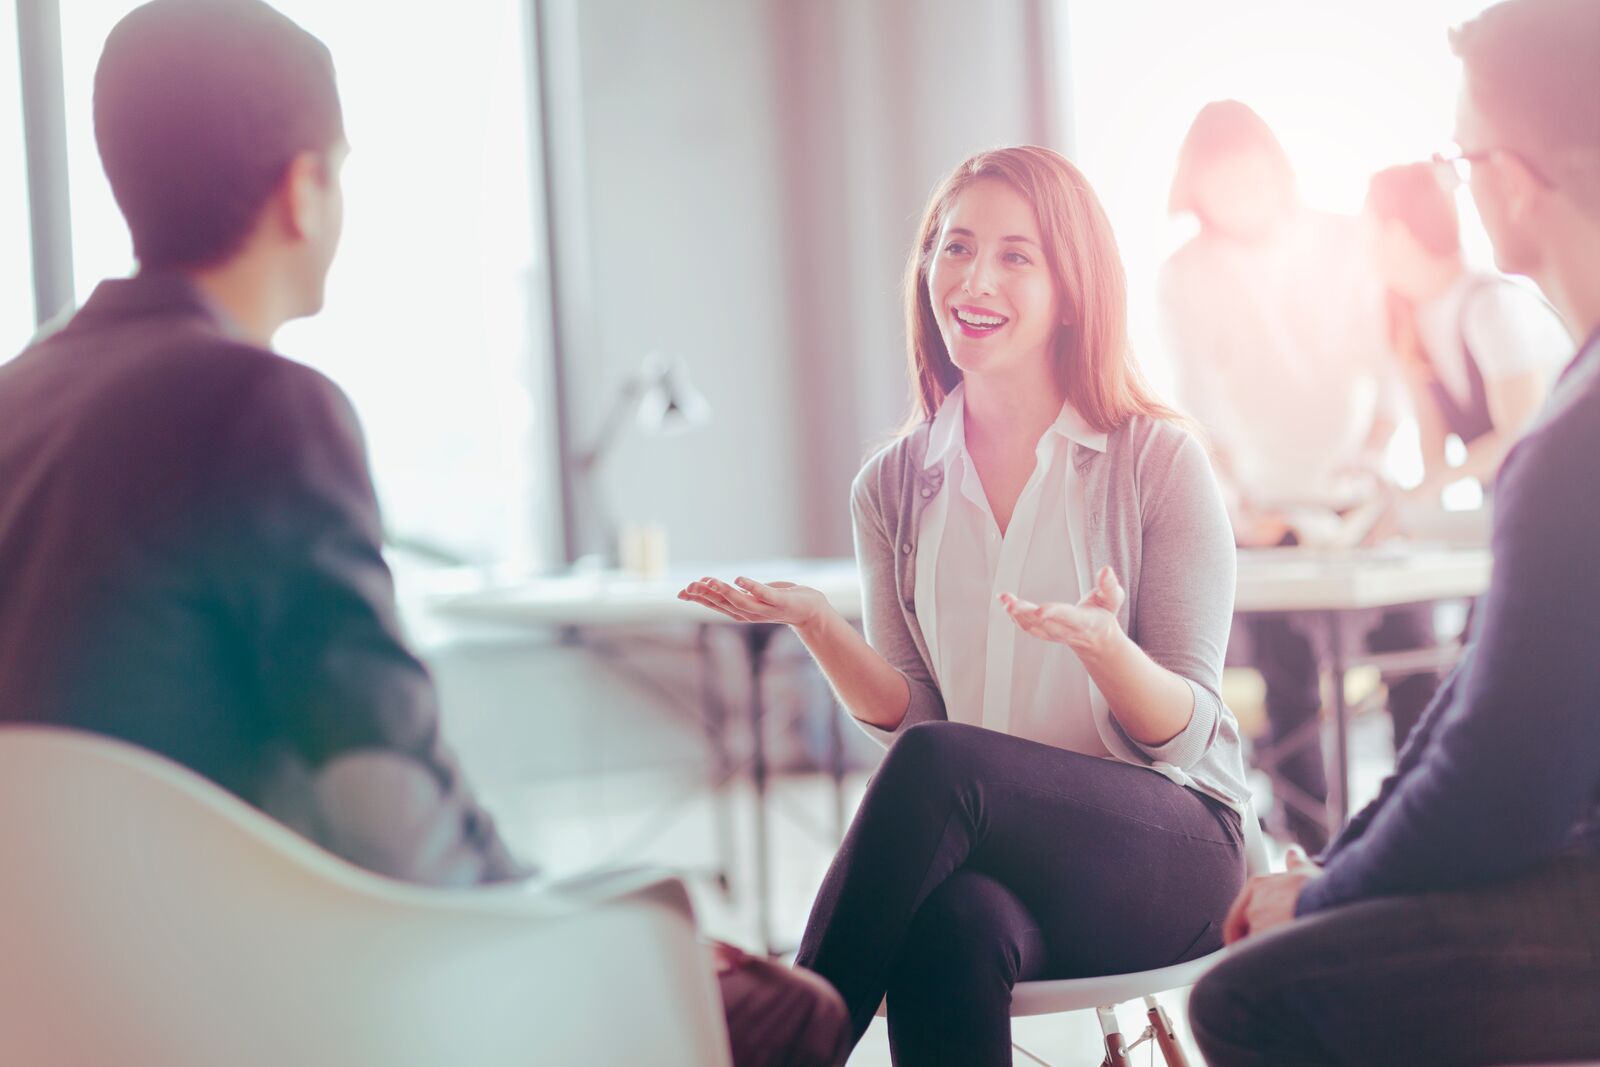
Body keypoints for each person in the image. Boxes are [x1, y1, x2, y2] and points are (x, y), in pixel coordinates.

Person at [0, 3, 848, 1064]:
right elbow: (389, 802)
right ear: (303, 188)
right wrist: (558, 923)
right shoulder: (262, 408)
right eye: (341, 171)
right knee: (789, 1005)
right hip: (256, 994)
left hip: (51, 1003)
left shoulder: (16, 399)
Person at [681, 145, 1250, 1065]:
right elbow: (924, 719)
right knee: (950, 924)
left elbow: (1183, 734)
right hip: (1007, 859)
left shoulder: (1155, 461)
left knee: (944, 767)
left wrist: (1108, 650)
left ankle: (784, 1035)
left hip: (1175, 851)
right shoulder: (894, 487)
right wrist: (820, 626)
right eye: (954, 247)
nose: (974, 278)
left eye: (1017, 255)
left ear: (1073, 286)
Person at [1190, 2, 1600, 1063]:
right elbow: (1474, 708)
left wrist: (1322, 894)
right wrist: (1336, 871)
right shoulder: (1572, 396)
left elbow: (1500, 787)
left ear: (1511, 177)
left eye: (1458, 159)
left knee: (1244, 994)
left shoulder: (1572, 434)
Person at [1158, 100, 1440, 852]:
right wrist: (1235, 505)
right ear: (1194, 187)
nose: (1241, 194)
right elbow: (1196, 403)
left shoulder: (1348, 242)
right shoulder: (1184, 275)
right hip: (1262, 508)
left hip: (1358, 491)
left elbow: (1388, 370)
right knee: (1289, 685)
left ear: (1278, 166)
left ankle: (1423, 828)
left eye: (1250, 173)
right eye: (1221, 182)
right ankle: (1310, 842)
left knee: (1412, 653)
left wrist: (1378, 468)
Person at [1364, 160, 1571, 509]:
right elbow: (1433, 448)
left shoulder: (1492, 306)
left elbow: (1520, 436)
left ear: (1396, 234)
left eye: (1367, 230)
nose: (1363, 247)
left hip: (1567, 495)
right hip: (1513, 502)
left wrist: (1434, 486)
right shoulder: (1408, 318)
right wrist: (1409, 512)